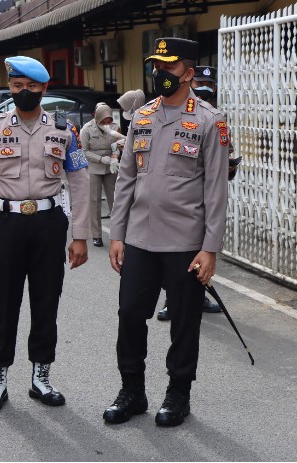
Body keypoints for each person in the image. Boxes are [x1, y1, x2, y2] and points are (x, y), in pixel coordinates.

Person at [104, 38, 230, 427]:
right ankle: (132, 391)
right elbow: (126, 178)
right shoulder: (140, 116)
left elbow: (216, 190)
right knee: (129, 315)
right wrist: (117, 233)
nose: (160, 75)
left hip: (185, 243)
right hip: (140, 238)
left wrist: (210, 249)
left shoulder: (210, 121)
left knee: (184, 320)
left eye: (168, 68)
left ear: (188, 73)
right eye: (156, 67)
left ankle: (178, 393)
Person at [0, 56, 90, 413]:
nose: (24, 93)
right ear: (10, 87)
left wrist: (79, 235)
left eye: (31, 87)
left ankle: (41, 377)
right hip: (5, 224)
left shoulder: (65, 130)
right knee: (4, 303)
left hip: (49, 225)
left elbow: (80, 183)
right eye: (17, 87)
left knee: (46, 302)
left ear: (44, 89)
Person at [157, 65, 240, 321]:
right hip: (176, 199)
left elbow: (226, 155)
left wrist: (229, 165)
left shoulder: (214, 117)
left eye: (208, 85)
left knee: (198, 256)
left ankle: (197, 296)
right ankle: (172, 299)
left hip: (203, 201)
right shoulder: (173, 111)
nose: (204, 89)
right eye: (200, 84)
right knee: (171, 255)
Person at [80, 103, 123, 247]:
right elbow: (84, 151)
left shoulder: (115, 127)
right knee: (94, 201)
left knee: (115, 200)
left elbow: (119, 144)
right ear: (97, 119)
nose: (106, 124)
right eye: (103, 122)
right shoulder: (87, 129)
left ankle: (117, 233)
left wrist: (115, 157)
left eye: (108, 121)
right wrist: (100, 159)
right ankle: (96, 235)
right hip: (94, 166)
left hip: (110, 165)